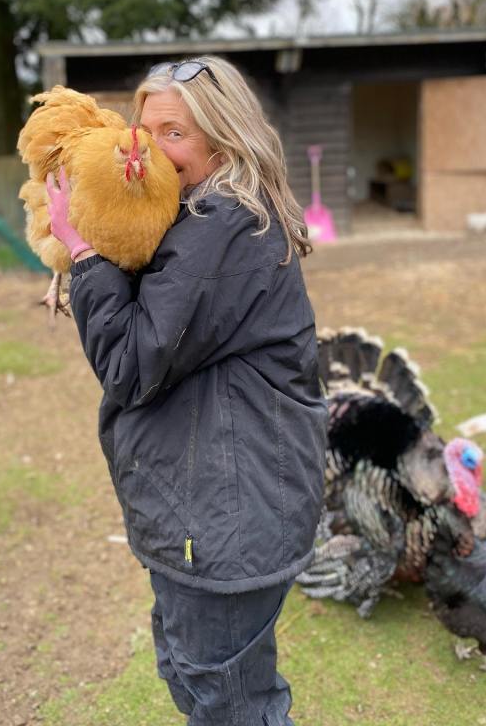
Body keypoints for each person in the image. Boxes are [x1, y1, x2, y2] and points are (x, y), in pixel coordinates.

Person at [46, 55, 328, 725]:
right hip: (212, 508)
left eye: (174, 133)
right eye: (145, 132)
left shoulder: (221, 223)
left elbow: (132, 361)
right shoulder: (200, 215)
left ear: (225, 138)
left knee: (230, 703)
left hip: (227, 514)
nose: (152, 151)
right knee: (193, 672)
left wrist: (84, 256)